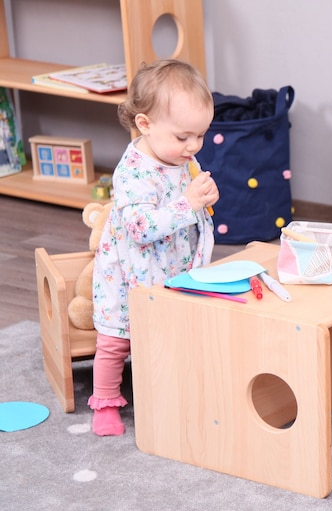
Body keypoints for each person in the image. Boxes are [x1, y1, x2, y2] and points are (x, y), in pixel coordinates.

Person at [89, 59, 219, 436]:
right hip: (130, 274)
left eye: (201, 136)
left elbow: (191, 204)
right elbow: (142, 227)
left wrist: (204, 198)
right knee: (116, 339)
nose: (193, 146)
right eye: (184, 137)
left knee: (175, 330)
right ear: (145, 124)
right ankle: (106, 400)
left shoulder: (182, 157)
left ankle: (172, 388)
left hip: (172, 265)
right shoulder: (133, 172)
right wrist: (189, 204)